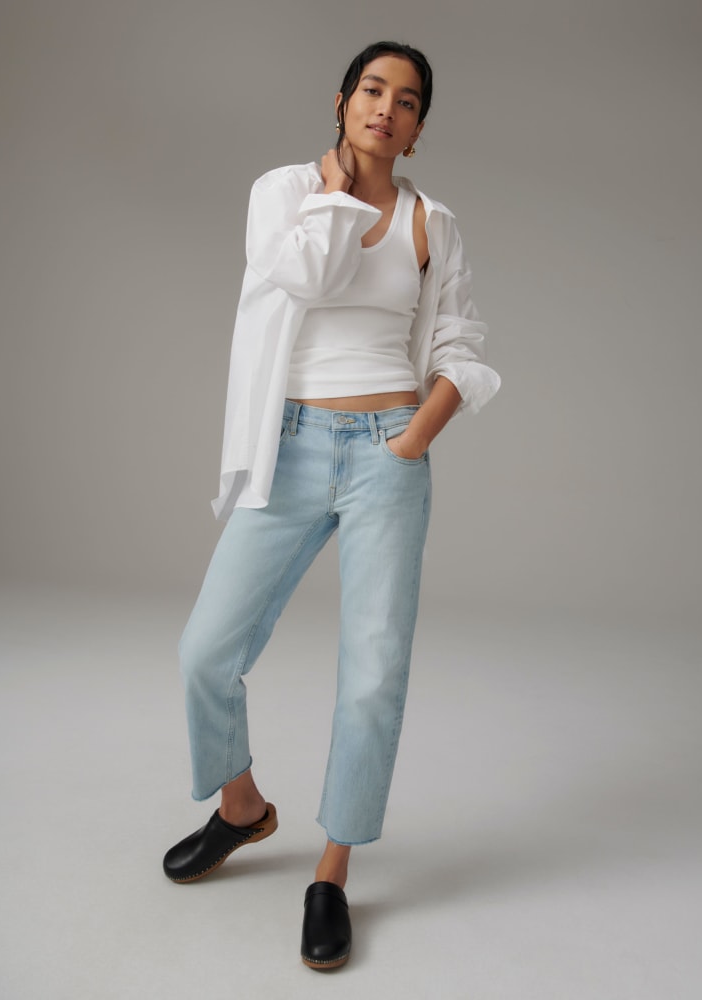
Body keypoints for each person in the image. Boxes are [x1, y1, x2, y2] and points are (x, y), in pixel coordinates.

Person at [162, 41, 500, 970]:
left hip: (389, 451)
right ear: (343, 101)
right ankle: (241, 806)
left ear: (419, 129)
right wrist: (340, 190)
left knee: (372, 674)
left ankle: (333, 872)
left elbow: (461, 342)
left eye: (407, 101)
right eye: (372, 90)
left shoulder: (432, 223)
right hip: (291, 447)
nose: (387, 108)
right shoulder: (285, 193)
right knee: (206, 651)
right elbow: (306, 276)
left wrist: (415, 436)